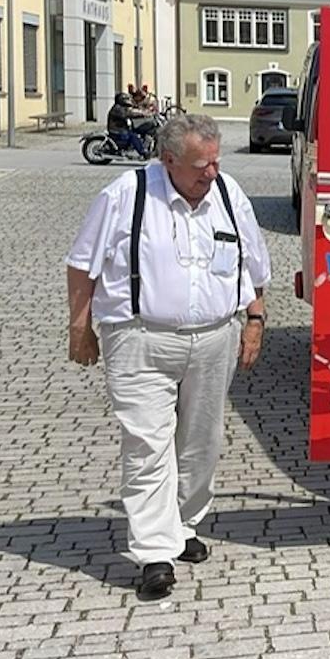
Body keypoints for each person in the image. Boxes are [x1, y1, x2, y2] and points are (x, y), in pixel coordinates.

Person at [65, 114, 271, 599]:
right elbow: (82, 264)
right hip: (139, 339)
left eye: (216, 161)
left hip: (214, 336)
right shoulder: (126, 194)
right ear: (168, 160)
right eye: (202, 165)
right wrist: (80, 328)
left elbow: (253, 263)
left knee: (202, 441)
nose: (211, 173)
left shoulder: (228, 194)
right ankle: (155, 552)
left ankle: (183, 524)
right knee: (147, 444)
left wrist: (255, 320)